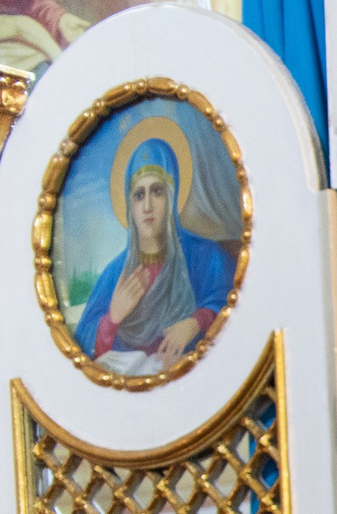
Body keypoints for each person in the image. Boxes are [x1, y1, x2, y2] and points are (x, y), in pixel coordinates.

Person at [74, 135, 237, 374]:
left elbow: (234, 304)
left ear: (172, 196)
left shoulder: (206, 256)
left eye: (157, 191)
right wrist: (113, 317)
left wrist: (196, 323)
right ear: (130, 206)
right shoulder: (114, 273)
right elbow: (80, 345)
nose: (147, 205)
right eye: (139, 195)